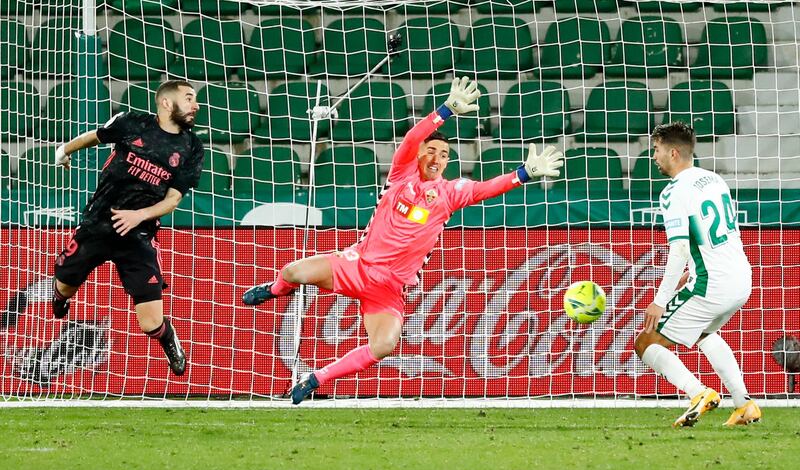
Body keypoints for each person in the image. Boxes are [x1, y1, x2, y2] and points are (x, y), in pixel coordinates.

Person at [242, 77, 564, 404]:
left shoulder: (450, 194)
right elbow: (412, 137)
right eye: (432, 150)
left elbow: (486, 188)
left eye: (445, 153)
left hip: (390, 287)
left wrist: (523, 173)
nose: (438, 157)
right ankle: (272, 290)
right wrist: (446, 110)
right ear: (419, 155)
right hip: (357, 265)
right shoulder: (401, 175)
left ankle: (316, 378)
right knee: (294, 272)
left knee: (384, 345)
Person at [51, 79, 204, 376]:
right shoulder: (132, 123)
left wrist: (139, 216)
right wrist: (64, 150)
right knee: (63, 283)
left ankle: (168, 338)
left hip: (138, 234)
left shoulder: (192, 147)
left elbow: (173, 199)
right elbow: (96, 136)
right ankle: (61, 299)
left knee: (150, 323)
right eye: (188, 98)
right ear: (166, 103)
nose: (195, 105)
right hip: (98, 224)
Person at [634, 122, 760, 427]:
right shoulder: (714, 180)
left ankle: (698, 393)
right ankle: (744, 405)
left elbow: (678, 249)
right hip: (741, 278)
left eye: (657, 150)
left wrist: (660, 300)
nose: (654, 157)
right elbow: (710, 235)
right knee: (705, 333)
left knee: (646, 342)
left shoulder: (673, 192)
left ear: (673, 152)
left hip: (710, 284)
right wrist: (692, 267)